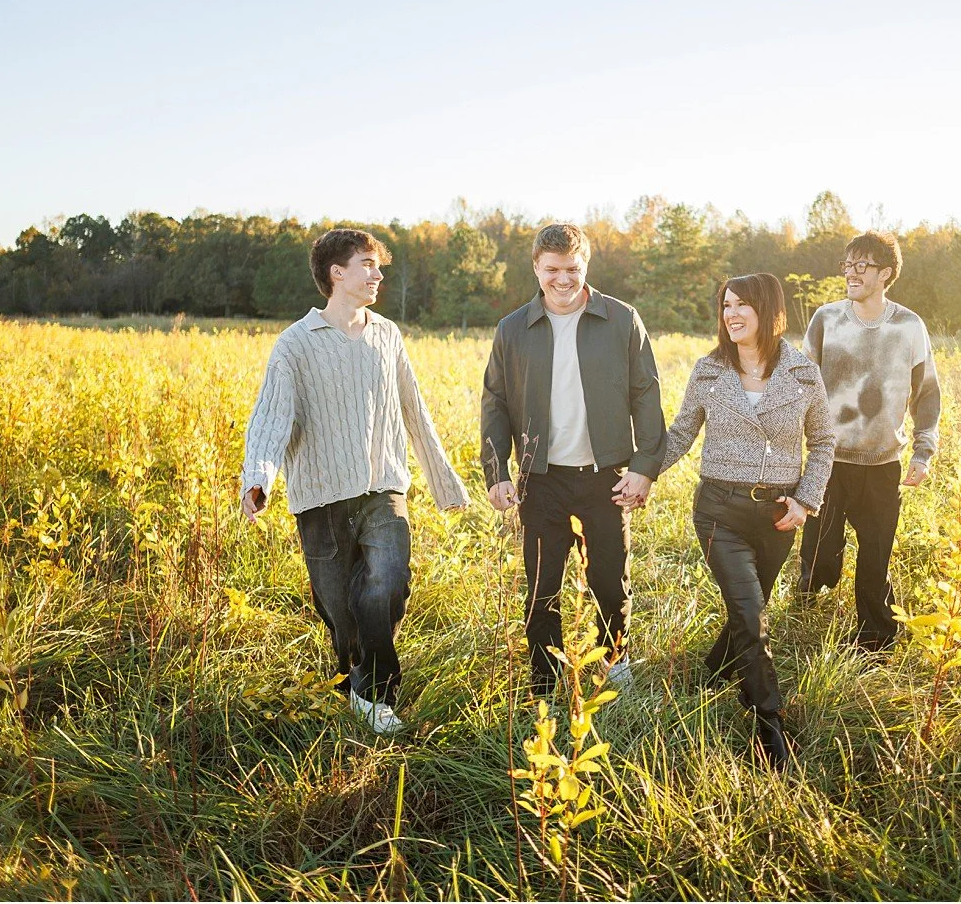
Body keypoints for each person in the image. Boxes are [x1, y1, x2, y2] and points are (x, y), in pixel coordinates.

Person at [241, 228, 468, 735]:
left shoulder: (387, 334)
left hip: (383, 486)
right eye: (367, 264)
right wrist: (258, 478)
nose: (378, 274)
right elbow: (272, 417)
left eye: (378, 265)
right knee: (340, 608)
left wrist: (444, 482)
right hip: (320, 496)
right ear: (336, 273)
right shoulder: (296, 343)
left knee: (388, 584)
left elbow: (414, 409)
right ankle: (352, 683)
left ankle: (375, 694)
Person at [481, 223, 667, 697]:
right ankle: (544, 681)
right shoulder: (512, 329)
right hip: (540, 479)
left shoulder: (621, 319)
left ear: (586, 266)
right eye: (552, 270)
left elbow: (646, 395)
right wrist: (496, 472)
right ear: (536, 268)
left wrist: (644, 468)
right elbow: (495, 402)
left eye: (572, 269)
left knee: (609, 579)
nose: (562, 279)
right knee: (542, 586)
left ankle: (614, 662)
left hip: (606, 477)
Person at [659, 272, 835, 768]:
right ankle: (769, 721)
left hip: (778, 515)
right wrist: (639, 475)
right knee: (751, 613)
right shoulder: (709, 370)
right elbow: (681, 433)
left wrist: (806, 501)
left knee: (747, 608)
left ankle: (714, 671)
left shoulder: (802, 373)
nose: (731, 314)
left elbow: (823, 441)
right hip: (720, 511)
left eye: (742, 305)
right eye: (726, 305)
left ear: (769, 311)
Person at [798, 230, 941, 653]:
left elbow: (926, 392)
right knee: (820, 556)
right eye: (848, 265)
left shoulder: (908, 326)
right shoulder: (826, 319)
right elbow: (801, 383)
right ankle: (806, 602)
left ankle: (875, 641)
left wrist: (923, 452)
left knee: (875, 558)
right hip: (828, 462)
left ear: (886, 273)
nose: (851, 273)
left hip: (882, 464)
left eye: (862, 265)